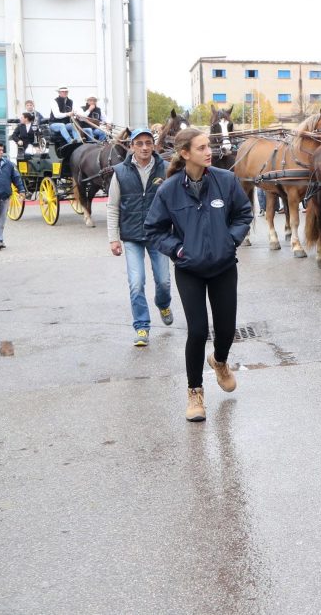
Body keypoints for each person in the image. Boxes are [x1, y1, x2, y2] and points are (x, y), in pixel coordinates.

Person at [145, 127, 252, 422]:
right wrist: (178, 251)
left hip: (223, 267)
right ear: (185, 153)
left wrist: (230, 240)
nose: (210, 152)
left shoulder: (226, 181)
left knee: (227, 329)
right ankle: (195, 393)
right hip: (189, 269)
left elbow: (244, 214)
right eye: (202, 147)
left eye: (209, 147)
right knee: (197, 331)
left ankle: (219, 361)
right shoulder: (168, 190)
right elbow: (153, 230)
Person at [109, 128, 174, 347]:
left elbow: (175, 204)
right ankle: (142, 327)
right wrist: (113, 238)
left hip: (159, 235)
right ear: (132, 146)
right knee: (136, 283)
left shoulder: (165, 169)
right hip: (131, 236)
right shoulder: (120, 171)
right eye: (140, 143)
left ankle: (163, 303)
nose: (145, 147)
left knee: (164, 281)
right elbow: (112, 207)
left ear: (154, 145)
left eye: (148, 143)